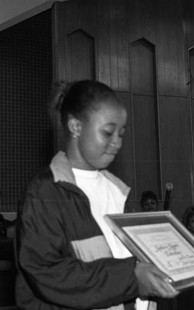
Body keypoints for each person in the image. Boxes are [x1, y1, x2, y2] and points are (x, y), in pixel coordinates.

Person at [16, 80, 178, 310]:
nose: (117, 143)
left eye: (121, 133)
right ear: (76, 127)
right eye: (108, 132)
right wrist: (131, 278)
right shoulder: (45, 192)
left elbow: (134, 261)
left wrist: (180, 272)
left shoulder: (118, 192)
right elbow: (46, 272)